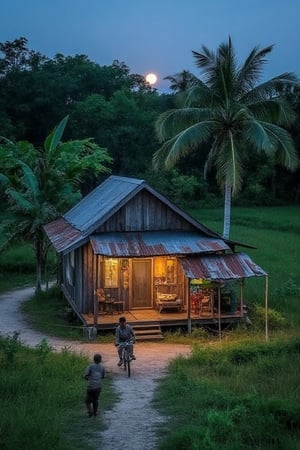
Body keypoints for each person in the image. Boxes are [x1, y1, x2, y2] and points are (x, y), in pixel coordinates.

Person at [83, 353, 106, 417]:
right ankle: (95, 413)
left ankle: (90, 411)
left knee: (87, 401)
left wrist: (87, 378)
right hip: (98, 387)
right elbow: (103, 376)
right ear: (100, 360)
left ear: (93, 359)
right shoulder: (102, 367)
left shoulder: (90, 366)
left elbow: (86, 375)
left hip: (91, 386)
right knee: (95, 400)